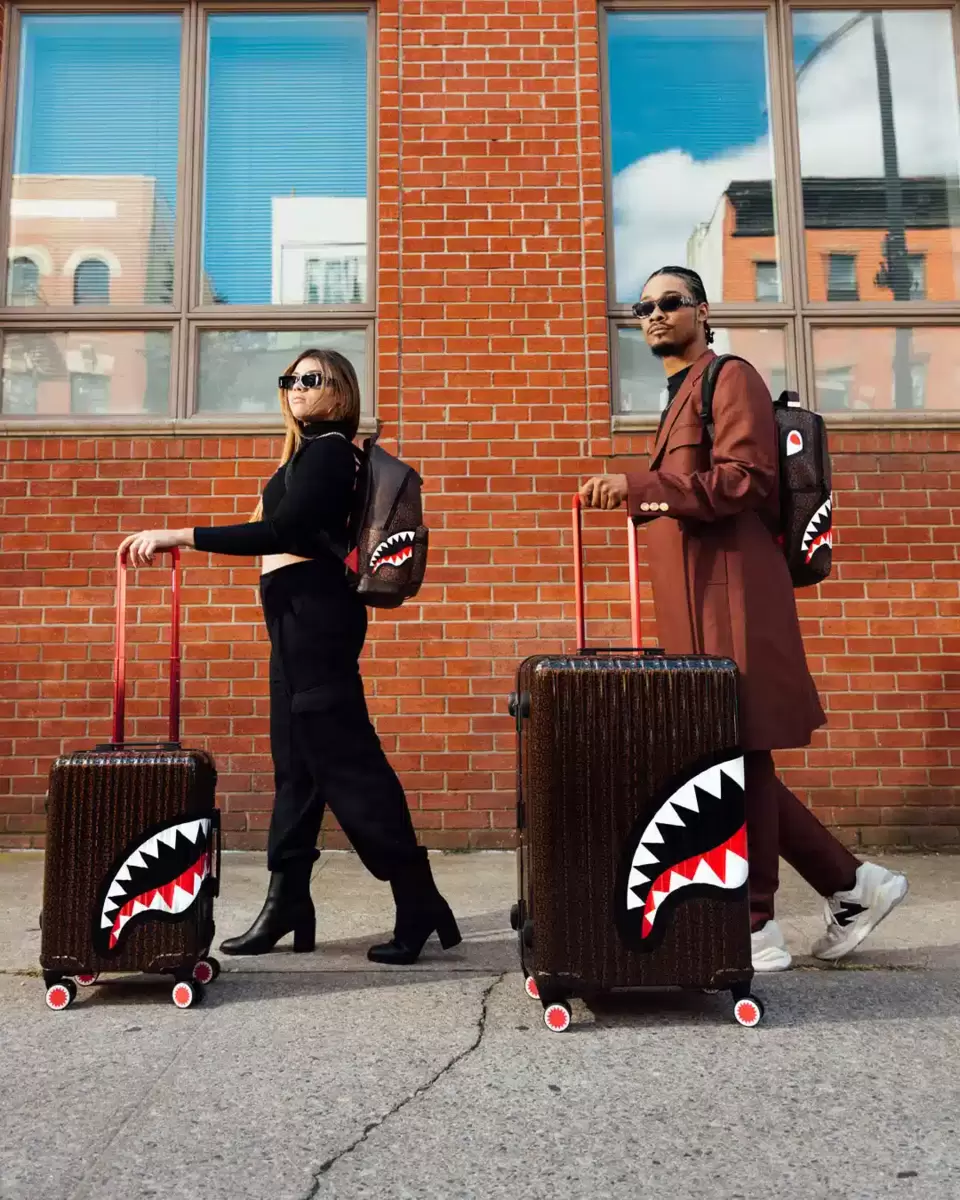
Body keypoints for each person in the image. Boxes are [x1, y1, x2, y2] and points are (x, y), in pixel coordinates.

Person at [579, 266, 907, 971]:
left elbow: (745, 479)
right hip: (697, 600)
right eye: (644, 306)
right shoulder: (682, 395)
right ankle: (854, 886)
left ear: (703, 311)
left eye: (671, 302)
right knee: (732, 753)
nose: (655, 314)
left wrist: (638, 486)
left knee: (735, 750)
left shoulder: (729, 377)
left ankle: (755, 924)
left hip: (730, 594)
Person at [119, 349, 460, 966]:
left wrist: (181, 535)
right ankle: (287, 902)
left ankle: (418, 898)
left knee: (348, 764)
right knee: (296, 771)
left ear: (340, 391)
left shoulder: (330, 452)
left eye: (310, 379)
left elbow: (284, 532)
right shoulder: (305, 455)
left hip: (317, 624)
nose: (296, 388)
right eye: (289, 380)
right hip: (293, 624)